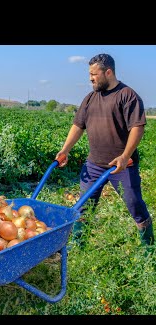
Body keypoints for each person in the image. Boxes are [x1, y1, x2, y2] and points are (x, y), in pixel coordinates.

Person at [55, 53, 154, 248]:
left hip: (122, 165)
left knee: (135, 204)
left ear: (108, 72)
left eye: (94, 74)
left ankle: (148, 248)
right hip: (94, 164)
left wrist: (125, 156)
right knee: (83, 206)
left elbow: (137, 127)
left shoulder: (127, 95)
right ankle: (79, 245)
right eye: (89, 74)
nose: (90, 78)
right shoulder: (90, 98)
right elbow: (78, 125)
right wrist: (64, 150)